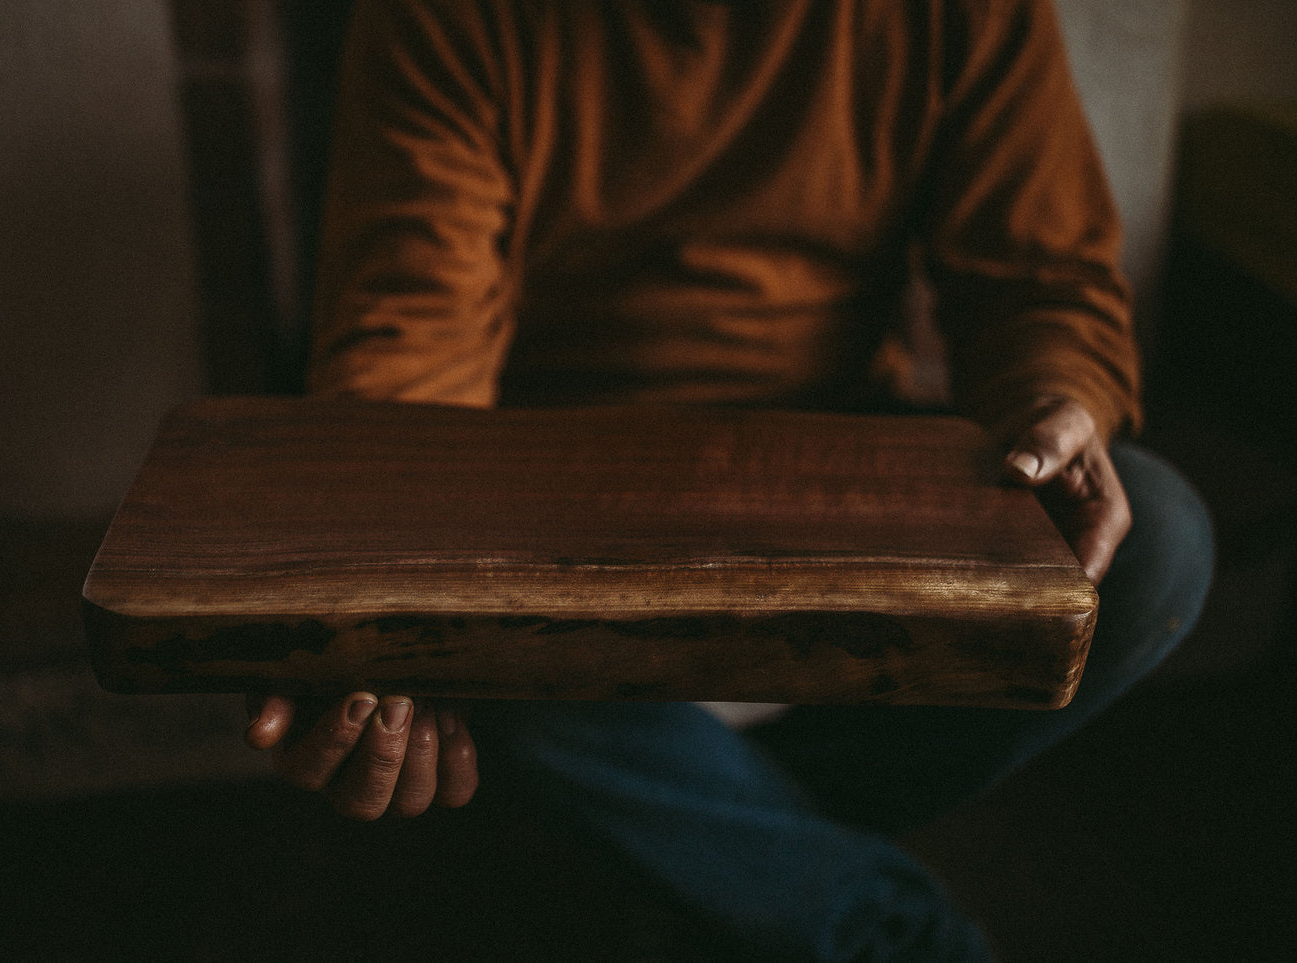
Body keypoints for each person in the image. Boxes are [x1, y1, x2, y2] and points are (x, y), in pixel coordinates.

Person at [244, 1, 1214, 958]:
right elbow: (411, 339)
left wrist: (1057, 397)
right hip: (549, 477)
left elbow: (1038, 281)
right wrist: (399, 581)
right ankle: (872, 928)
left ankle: (698, 853)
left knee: (1156, 541)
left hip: (836, 449)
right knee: (509, 660)